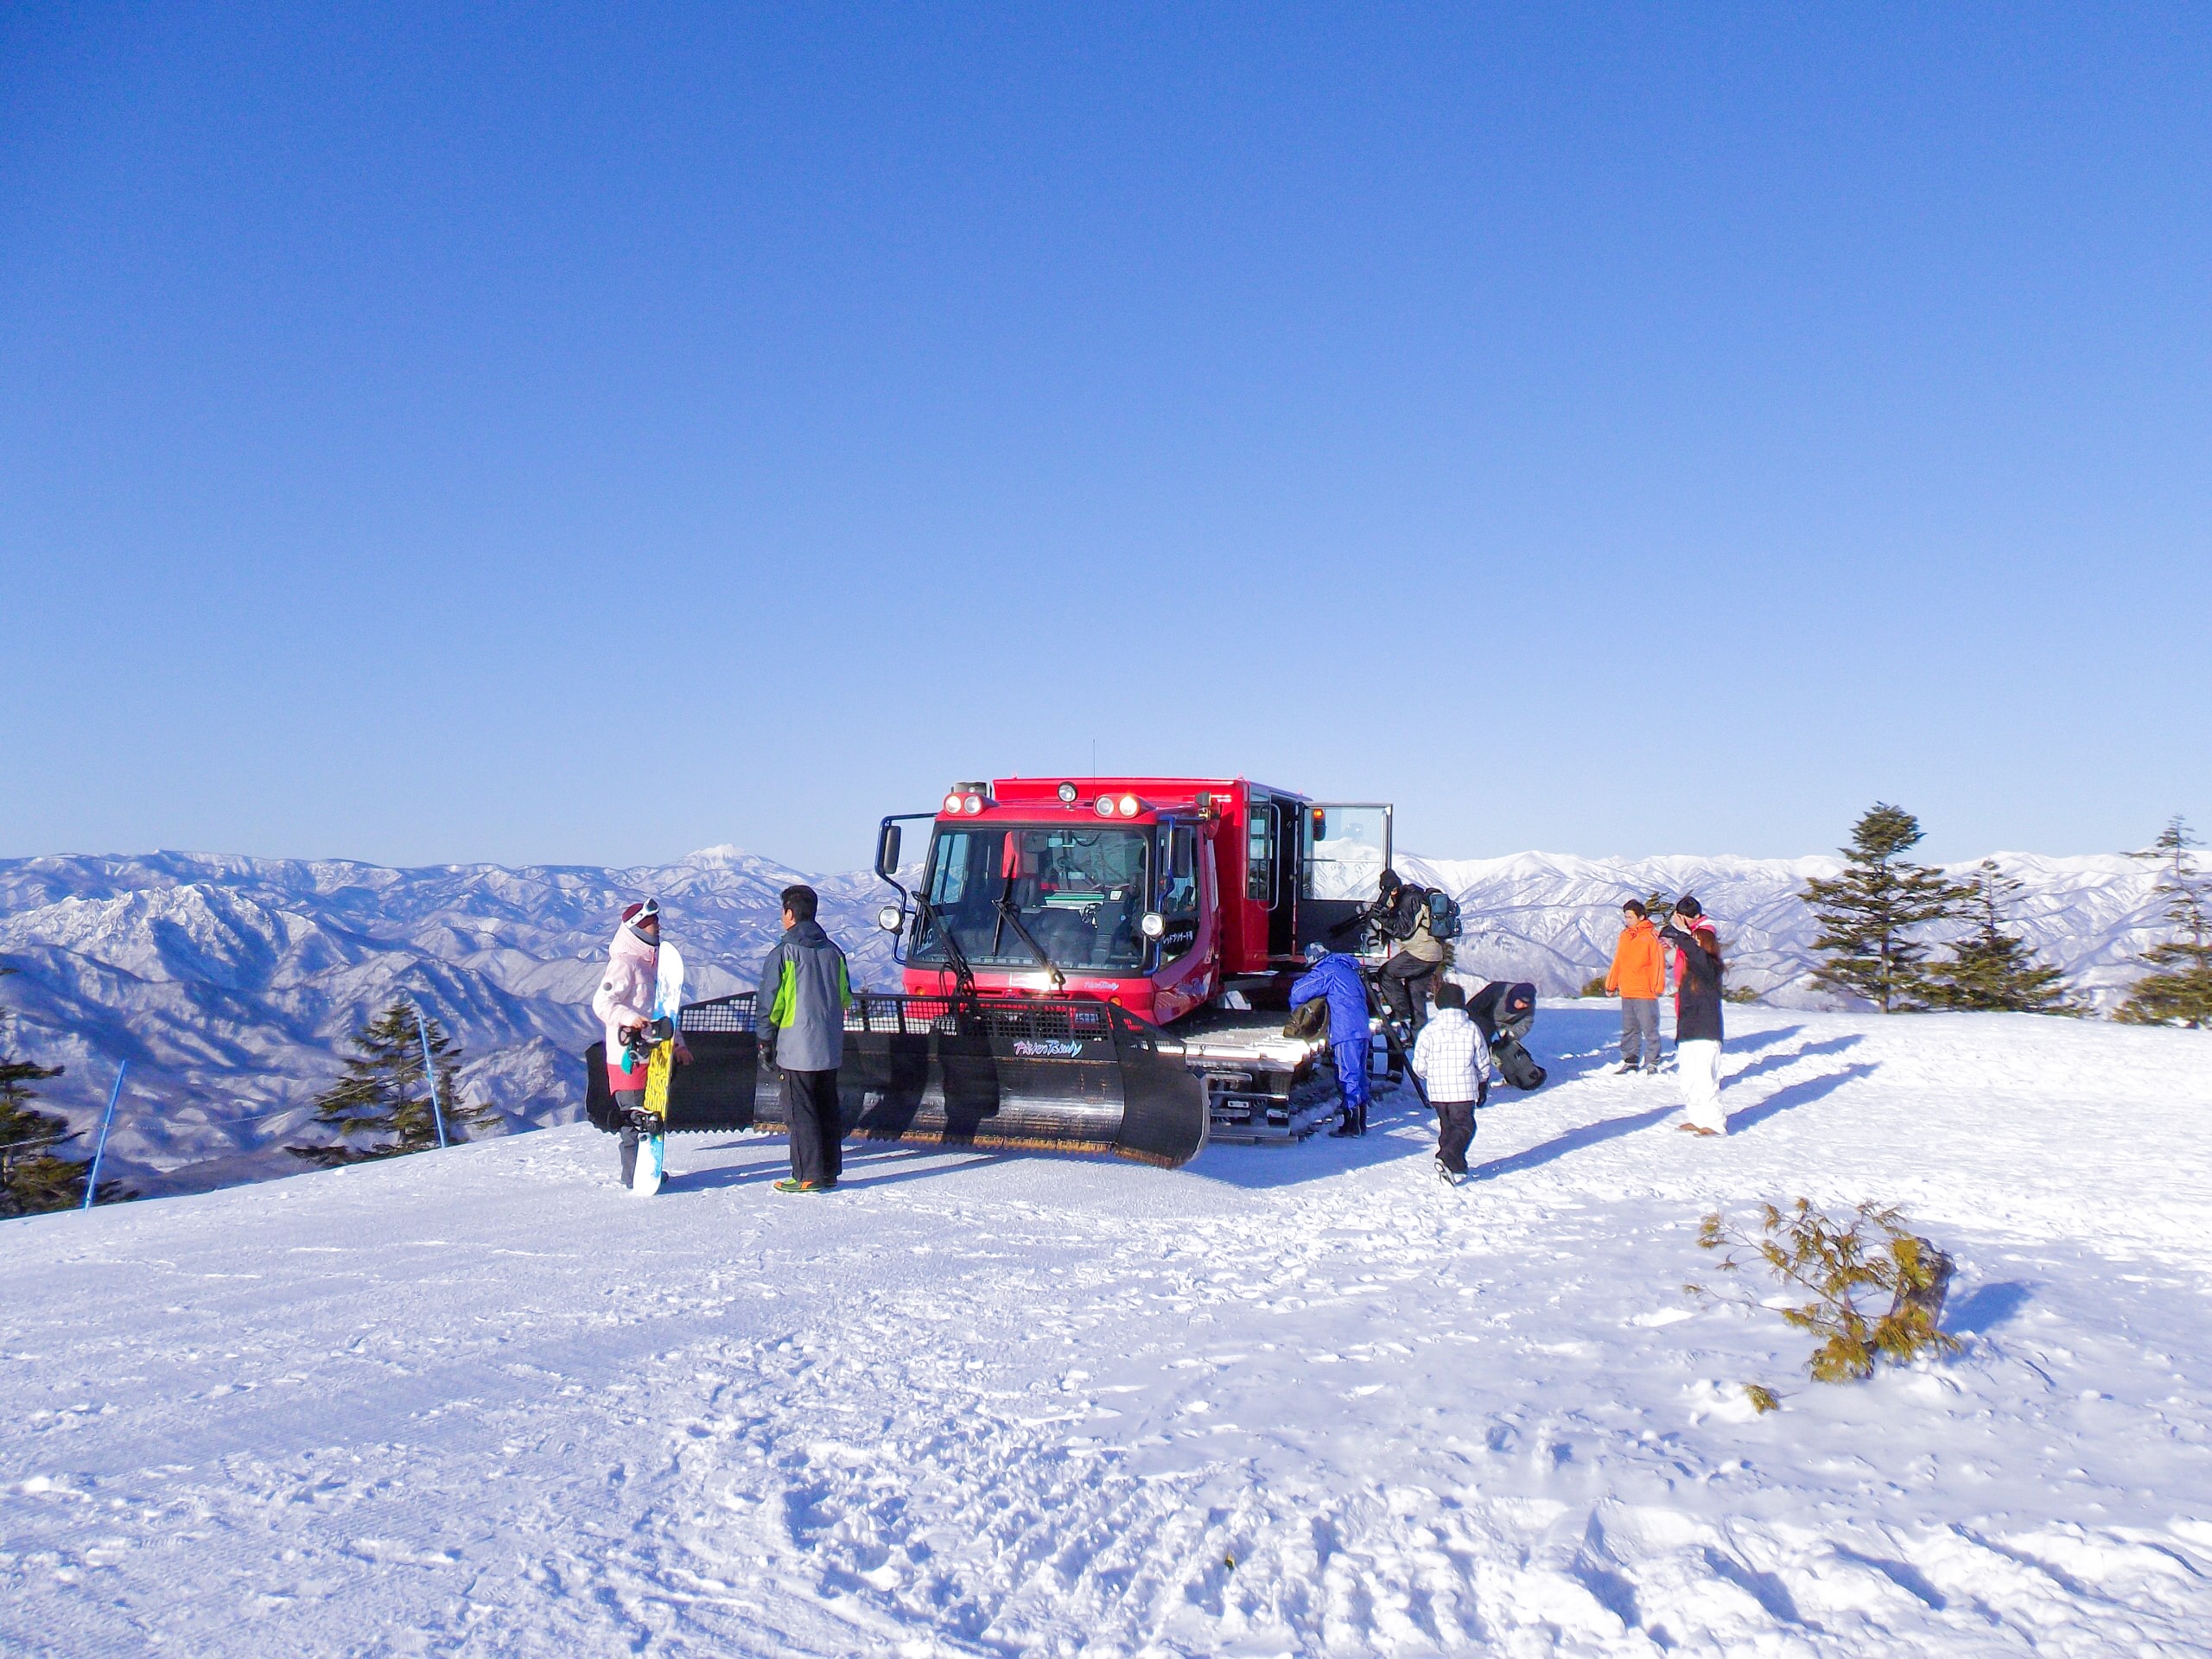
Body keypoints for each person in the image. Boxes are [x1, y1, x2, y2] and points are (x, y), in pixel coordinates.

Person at [755, 883, 855, 1192]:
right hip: (828, 1045)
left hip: (796, 1047)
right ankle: (828, 1172)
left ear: (789, 914)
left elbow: (771, 1002)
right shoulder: (834, 952)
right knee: (826, 1107)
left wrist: (765, 1039)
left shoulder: (784, 953)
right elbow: (845, 997)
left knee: (801, 1111)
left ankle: (806, 1175)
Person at [591, 898, 690, 1187]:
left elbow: (664, 1011)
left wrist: (679, 1045)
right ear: (637, 926)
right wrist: (628, 1018)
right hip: (629, 1057)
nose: (657, 925)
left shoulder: (651, 965)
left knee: (653, 1118)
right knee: (635, 1120)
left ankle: (649, 1170)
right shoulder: (624, 964)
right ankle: (634, 1176)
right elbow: (602, 1003)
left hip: (655, 1057)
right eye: (652, 921)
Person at [1291, 943, 1374, 1136]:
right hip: (1361, 1029)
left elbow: (1299, 991)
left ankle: (1351, 1126)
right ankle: (1361, 1123)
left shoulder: (1328, 970)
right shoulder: (1347, 968)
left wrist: (1296, 1011)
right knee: (1359, 1075)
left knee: (1348, 1076)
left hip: (1346, 1032)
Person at [1410, 981, 1490, 1184]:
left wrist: (1433, 1076)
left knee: (1448, 1127)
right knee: (1464, 1127)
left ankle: (1455, 1168)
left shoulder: (1429, 1030)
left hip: (1438, 1093)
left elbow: (1419, 1065)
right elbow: (1482, 1061)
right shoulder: (1472, 1029)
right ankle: (1446, 1157)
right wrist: (1482, 1082)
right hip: (1463, 1091)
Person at [1660, 896, 1726, 1135]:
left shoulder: (1710, 968)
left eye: (1698, 941)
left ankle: (1715, 1123)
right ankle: (1697, 1118)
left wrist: (1680, 935)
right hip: (1688, 1029)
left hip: (1707, 1031)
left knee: (1706, 1079)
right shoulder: (1691, 975)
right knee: (1689, 1079)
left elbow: (1697, 957)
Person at [1375, 871, 1446, 1033]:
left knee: (1386, 973)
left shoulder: (1410, 899)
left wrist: (1382, 919)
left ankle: (1402, 1013)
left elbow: (1403, 930)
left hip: (1421, 953)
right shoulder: (1407, 897)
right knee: (1415, 993)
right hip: (1431, 954)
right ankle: (1418, 1037)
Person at [1605, 899, 1667, 1074]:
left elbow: (1658, 962)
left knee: (1649, 1028)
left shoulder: (1651, 936)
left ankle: (1652, 1061)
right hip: (1627, 990)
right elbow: (1619, 962)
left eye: (1630, 917)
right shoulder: (1625, 936)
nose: (1627, 920)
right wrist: (1611, 984)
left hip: (1645, 991)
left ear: (1641, 917)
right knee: (1629, 1029)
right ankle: (1630, 1060)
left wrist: (1657, 986)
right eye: (1625, 916)